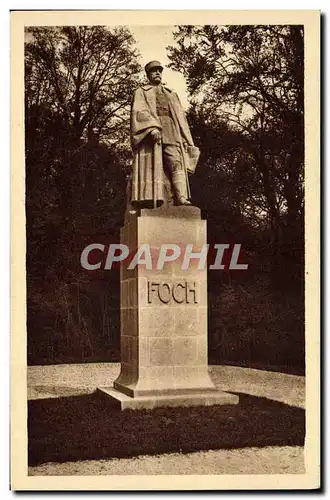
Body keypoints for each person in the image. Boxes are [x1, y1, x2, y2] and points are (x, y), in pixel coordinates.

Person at [129, 60, 199, 210]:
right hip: (152, 134)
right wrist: (152, 128)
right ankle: (152, 199)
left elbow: (181, 118)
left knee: (176, 163)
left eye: (159, 70)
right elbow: (139, 112)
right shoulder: (141, 91)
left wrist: (187, 140)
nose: (158, 73)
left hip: (171, 132)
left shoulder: (170, 94)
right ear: (148, 74)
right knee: (153, 166)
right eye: (154, 71)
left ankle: (181, 197)